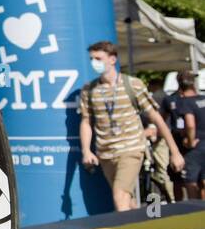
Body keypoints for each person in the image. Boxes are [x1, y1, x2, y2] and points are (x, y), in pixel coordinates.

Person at [79, 42, 182, 212]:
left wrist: (175, 152)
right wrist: (86, 151)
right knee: (127, 199)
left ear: (112, 59)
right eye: (92, 59)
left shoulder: (132, 84)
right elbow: (86, 121)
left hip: (131, 149)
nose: (94, 63)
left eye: (98, 58)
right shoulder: (89, 90)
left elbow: (156, 118)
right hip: (105, 153)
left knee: (120, 195)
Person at [163, 71, 202, 199]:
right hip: (183, 143)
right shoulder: (170, 100)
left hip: (190, 145)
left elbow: (190, 125)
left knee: (190, 181)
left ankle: (195, 210)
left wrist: (189, 140)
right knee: (181, 179)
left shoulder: (187, 101)